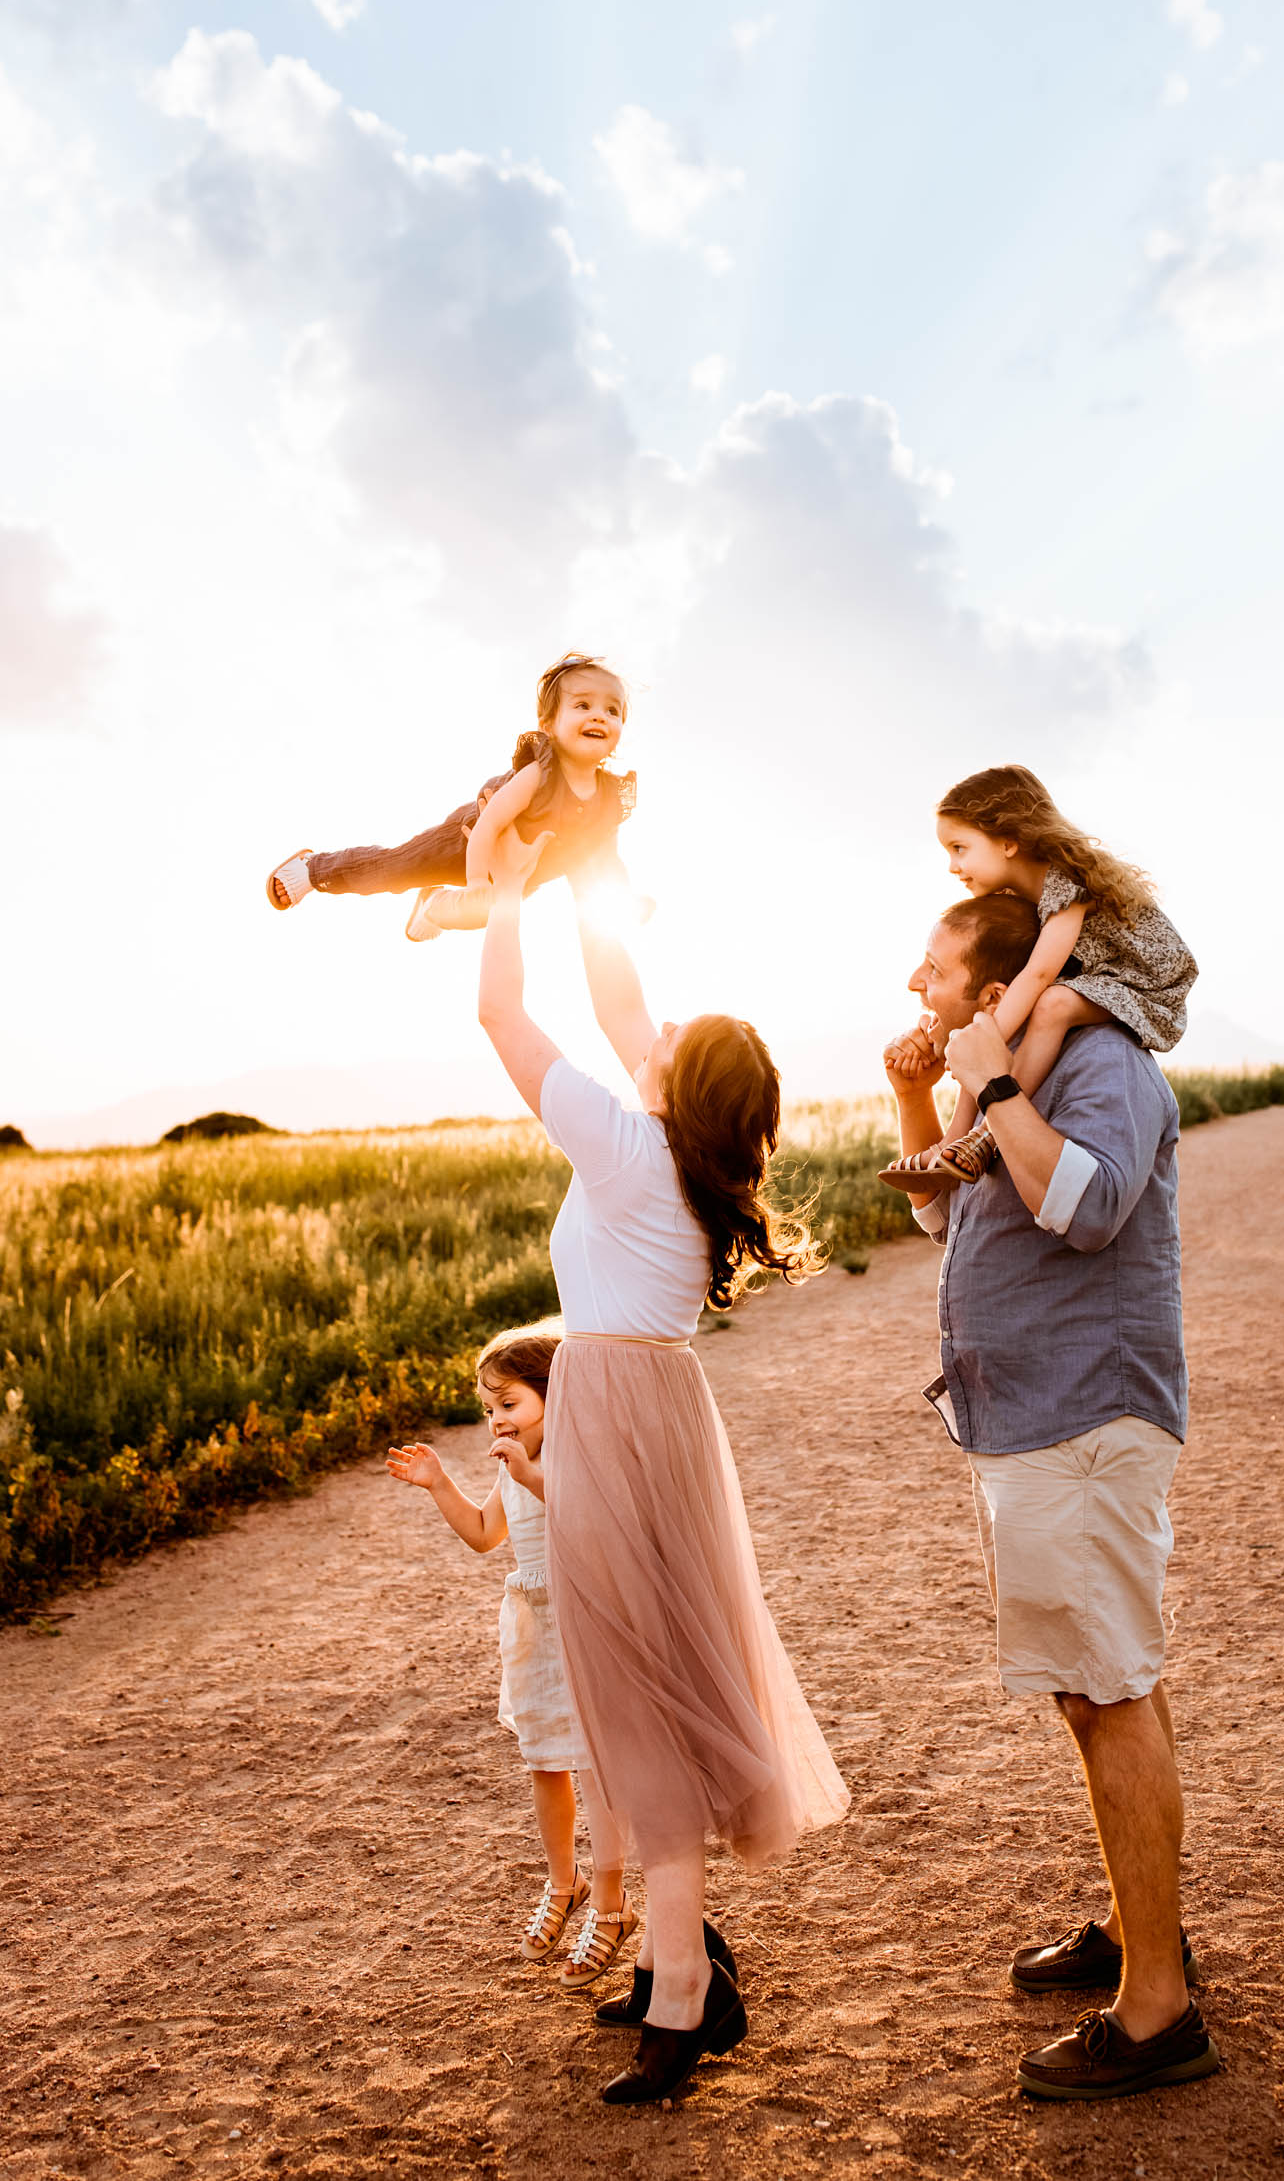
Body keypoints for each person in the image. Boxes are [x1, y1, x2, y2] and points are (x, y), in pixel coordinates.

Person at [473, 801, 849, 2105]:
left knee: (635, 1703)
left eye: (670, 1043)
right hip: (656, 1415)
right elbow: (626, 991)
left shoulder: (633, 1148)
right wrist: (594, 865)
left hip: (618, 1421)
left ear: (675, 1085)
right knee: (648, 1690)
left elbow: (504, 1025)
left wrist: (504, 885)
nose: (654, 1029)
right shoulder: (687, 1156)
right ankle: (684, 1965)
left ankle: (684, 1988)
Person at [882, 890, 1220, 2103]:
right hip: (1031, 1417)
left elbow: (1082, 1211)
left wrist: (997, 1088)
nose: (912, 983)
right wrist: (924, 1091)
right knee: (1100, 1682)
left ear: (989, 988)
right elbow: (941, 1211)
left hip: (1083, 1413)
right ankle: (1146, 1930)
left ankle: (1156, 2012)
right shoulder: (1007, 1072)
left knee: (1107, 1686)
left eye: (931, 969)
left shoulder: (1102, 1063)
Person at [384, 1323, 637, 1990]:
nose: (496, 1420)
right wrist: (439, 1483)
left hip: (590, 1618)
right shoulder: (510, 1467)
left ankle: (612, 1904)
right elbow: (484, 1533)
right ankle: (566, 1883)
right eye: (488, 1408)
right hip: (536, 1626)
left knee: (599, 1764)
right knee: (546, 1760)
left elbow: (590, 1514)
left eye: (510, 1404)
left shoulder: (575, 1457)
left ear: (556, 1399)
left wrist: (532, 1472)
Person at [881, 765, 1196, 1191]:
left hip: (1143, 982)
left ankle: (987, 1134)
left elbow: (1040, 972)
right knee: (986, 1032)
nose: (954, 866)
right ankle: (955, 1141)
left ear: (1008, 841)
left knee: (1052, 1005)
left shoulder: (1066, 880)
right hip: (1098, 976)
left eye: (960, 848)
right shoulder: (1018, 896)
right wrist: (977, 1037)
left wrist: (984, 1040)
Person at [265, 651, 636, 944]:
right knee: (392, 870)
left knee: (491, 916)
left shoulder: (608, 799)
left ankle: (432, 907)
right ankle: (314, 870)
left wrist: (625, 902)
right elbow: (489, 825)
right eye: (583, 706)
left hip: (516, 875)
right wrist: (476, 884)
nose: (600, 717)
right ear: (548, 725)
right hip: (463, 844)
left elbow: (606, 859)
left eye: (612, 710)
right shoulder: (539, 774)